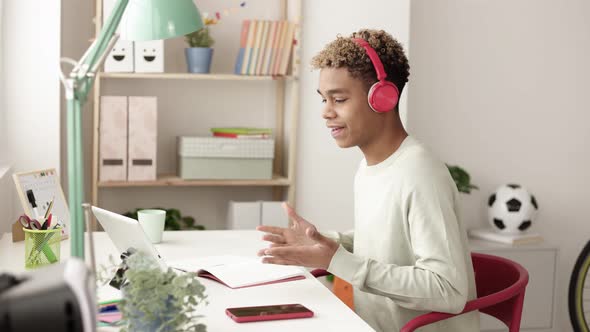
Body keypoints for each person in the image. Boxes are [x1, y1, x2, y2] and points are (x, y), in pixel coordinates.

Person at [256, 29, 480, 331]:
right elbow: (383, 245)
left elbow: (447, 291)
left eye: (339, 99)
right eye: (324, 99)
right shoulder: (370, 168)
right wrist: (322, 243)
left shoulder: (420, 175)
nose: (326, 112)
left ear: (383, 98)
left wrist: (337, 260)